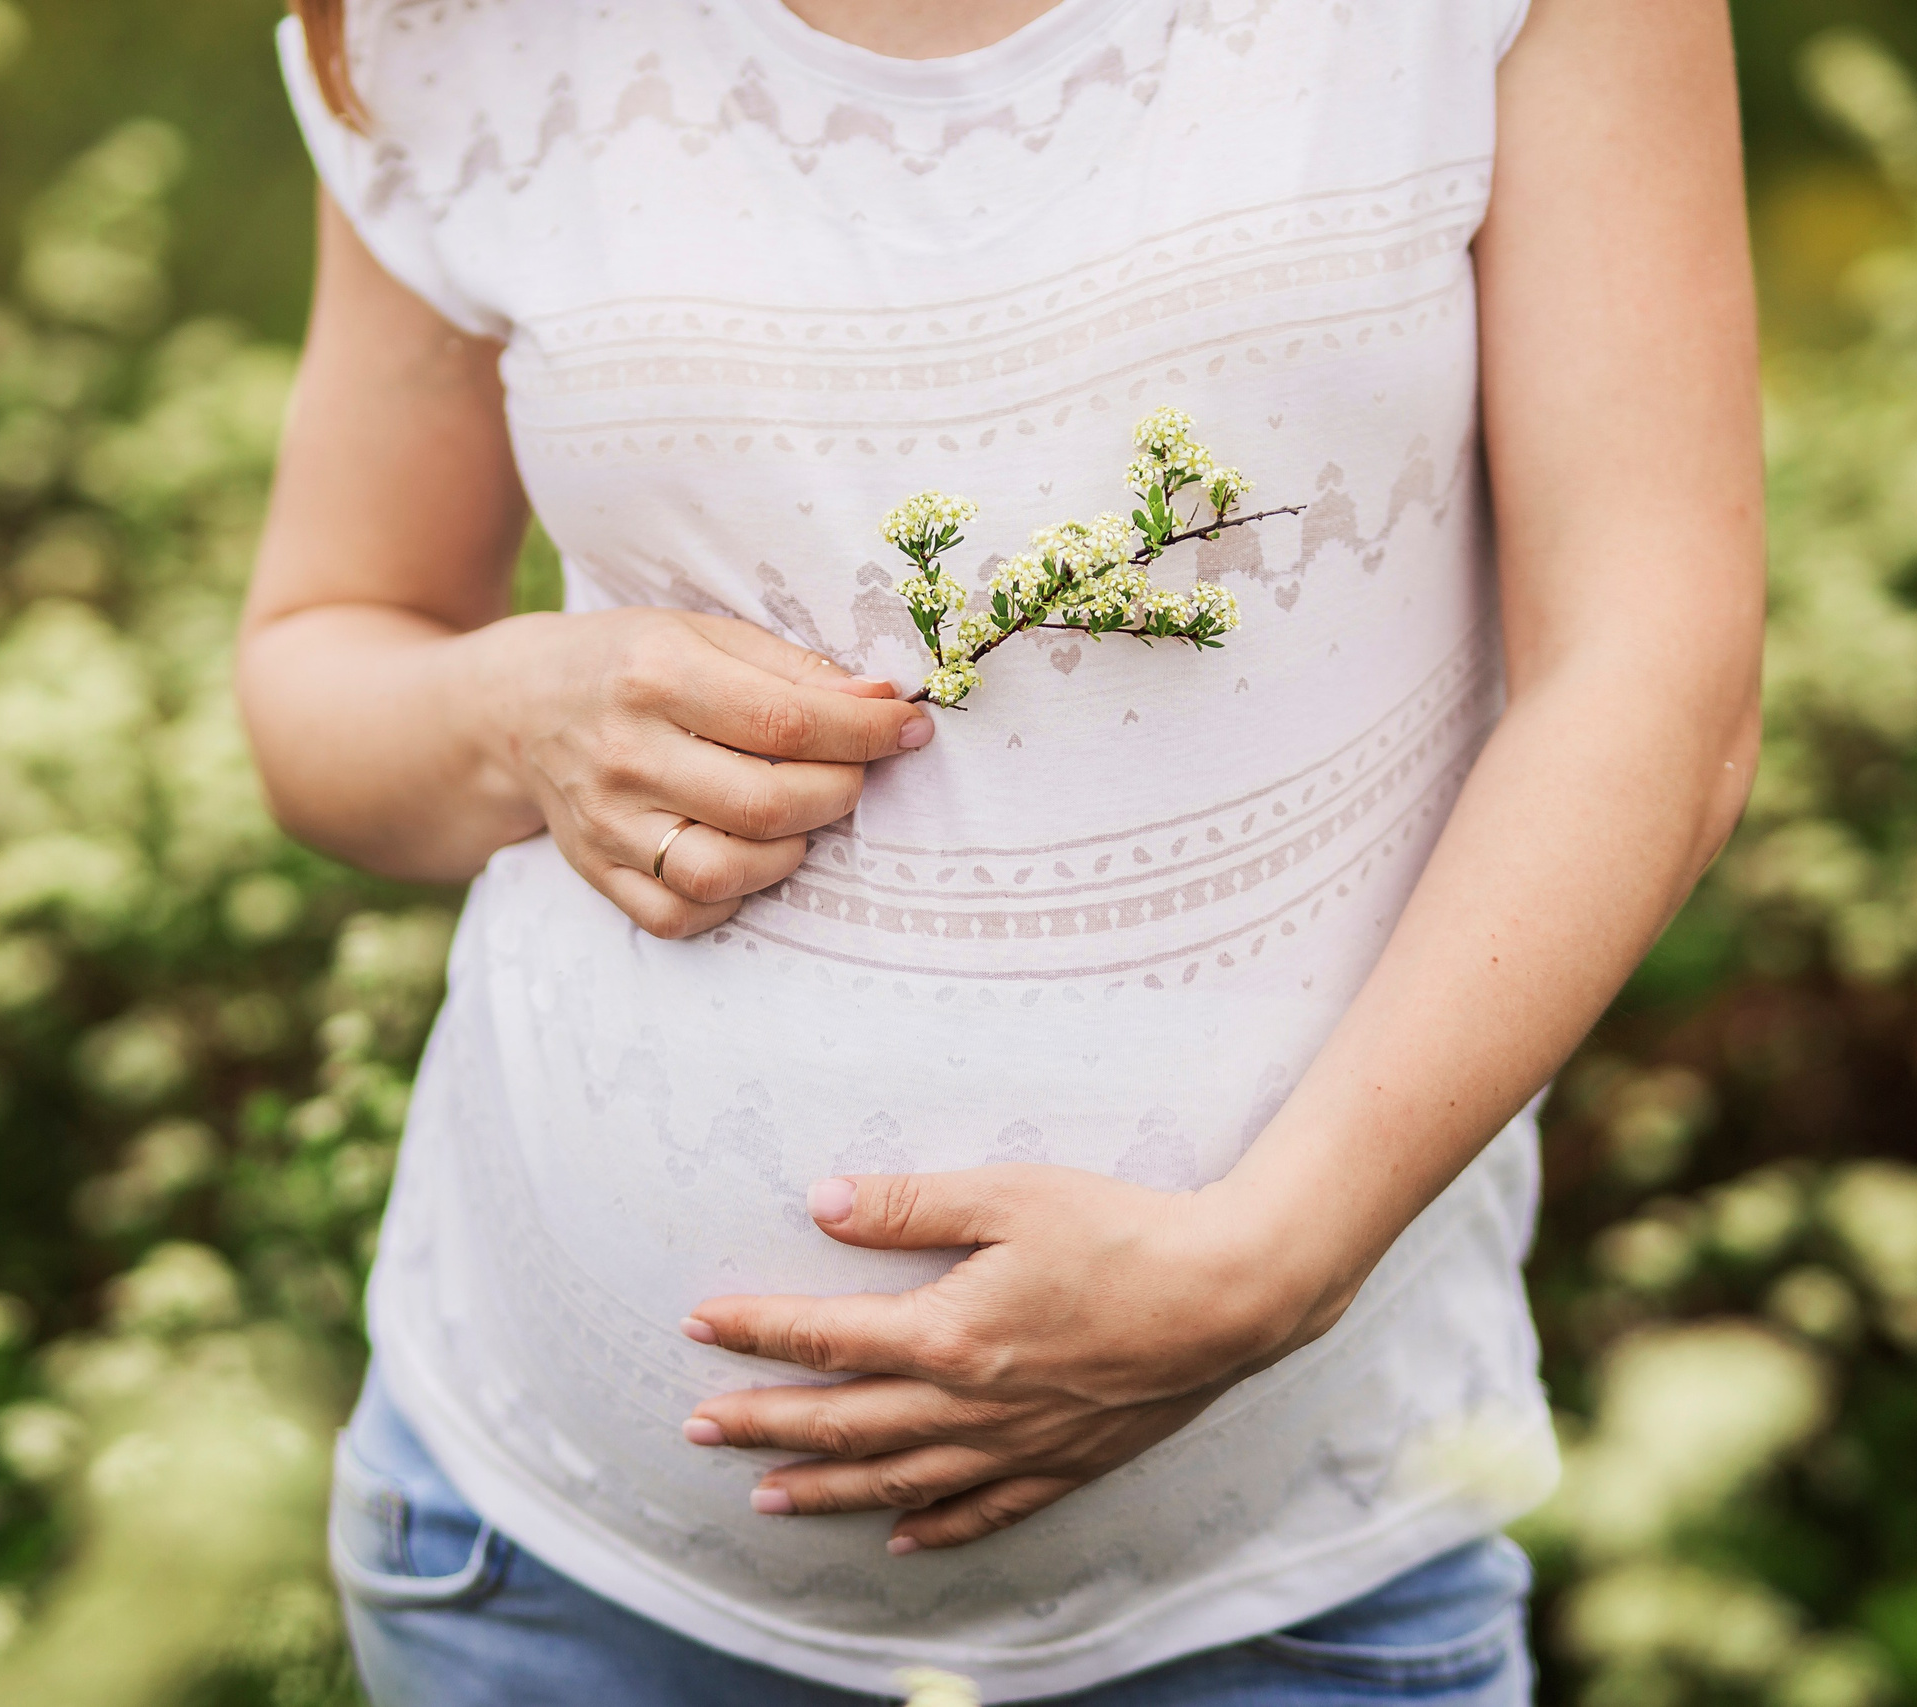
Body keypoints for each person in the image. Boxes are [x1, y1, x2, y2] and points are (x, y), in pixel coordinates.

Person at [238, 0, 1762, 1700]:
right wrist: (514, 715)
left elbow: (1656, 679)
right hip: (550, 1582)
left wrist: (1277, 1258)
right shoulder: (450, 28)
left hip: (1280, 1607)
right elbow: (321, 664)